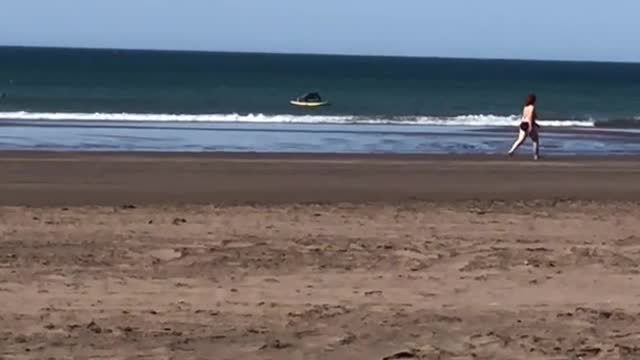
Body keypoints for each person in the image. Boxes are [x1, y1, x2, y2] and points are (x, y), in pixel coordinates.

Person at [508, 93, 540, 160]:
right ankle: (535, 155)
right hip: (529, 124)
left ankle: (511, 150)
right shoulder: (532, 107)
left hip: (523, 124)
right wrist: (531, 126)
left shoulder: (525, 107)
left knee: (520, 140)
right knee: (535, 140)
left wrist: (536, 124)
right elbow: (530, 117)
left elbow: (525, 116)